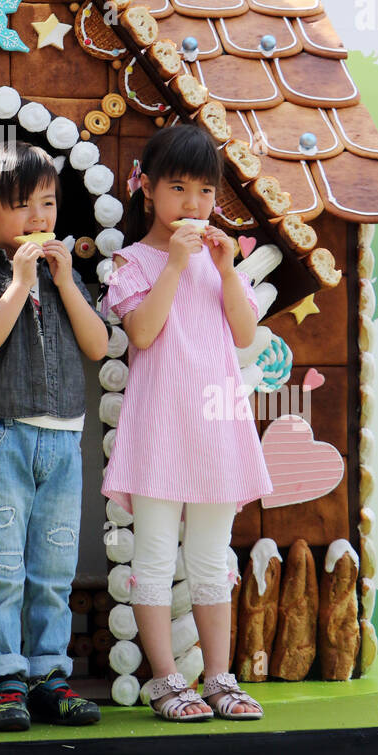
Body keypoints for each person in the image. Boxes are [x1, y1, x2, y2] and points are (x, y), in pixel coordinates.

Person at [102, 124, 272, 722]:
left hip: (215, 430)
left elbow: (245, 334)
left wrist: (226, 271)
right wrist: (174, 265)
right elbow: (143, 333)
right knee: (152, 558)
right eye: (178, 188)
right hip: (159, 431)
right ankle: (166, 682)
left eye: (205, 191)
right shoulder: (131, 261)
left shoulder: (223, 263)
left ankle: (220, 679)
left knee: (210, 558)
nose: (194, 204)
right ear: (147, 189)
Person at [0, 141, 110, 731]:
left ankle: (49, 676)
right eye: (21, 205)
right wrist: (19, 283)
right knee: (1, 566)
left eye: (47, 203)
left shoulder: (71, 277)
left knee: (54, 567)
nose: (39, 217)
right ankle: (5, 681)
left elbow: (98, 346)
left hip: (63, 441)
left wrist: (64, 283)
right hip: (2, 435)